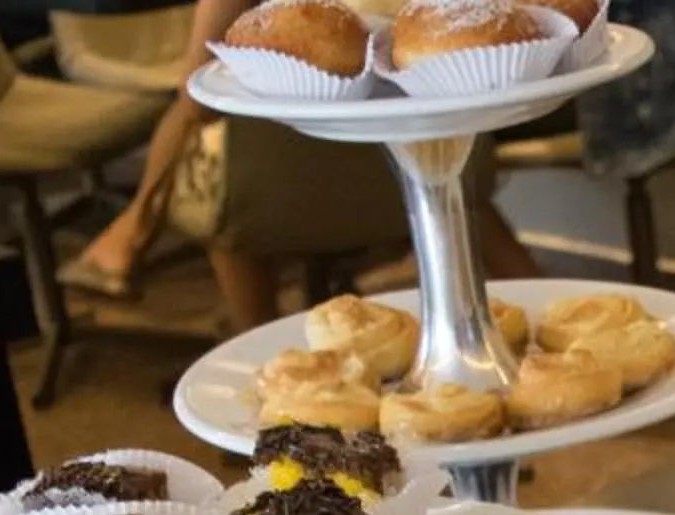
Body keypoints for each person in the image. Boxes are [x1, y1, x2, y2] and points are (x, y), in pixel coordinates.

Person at [58, 0, 538, 325]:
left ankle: (139, 229)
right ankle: (557, 328)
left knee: (198, 127)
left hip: (277, 193)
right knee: (452, 179)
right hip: (434, 168)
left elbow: (197, 93)